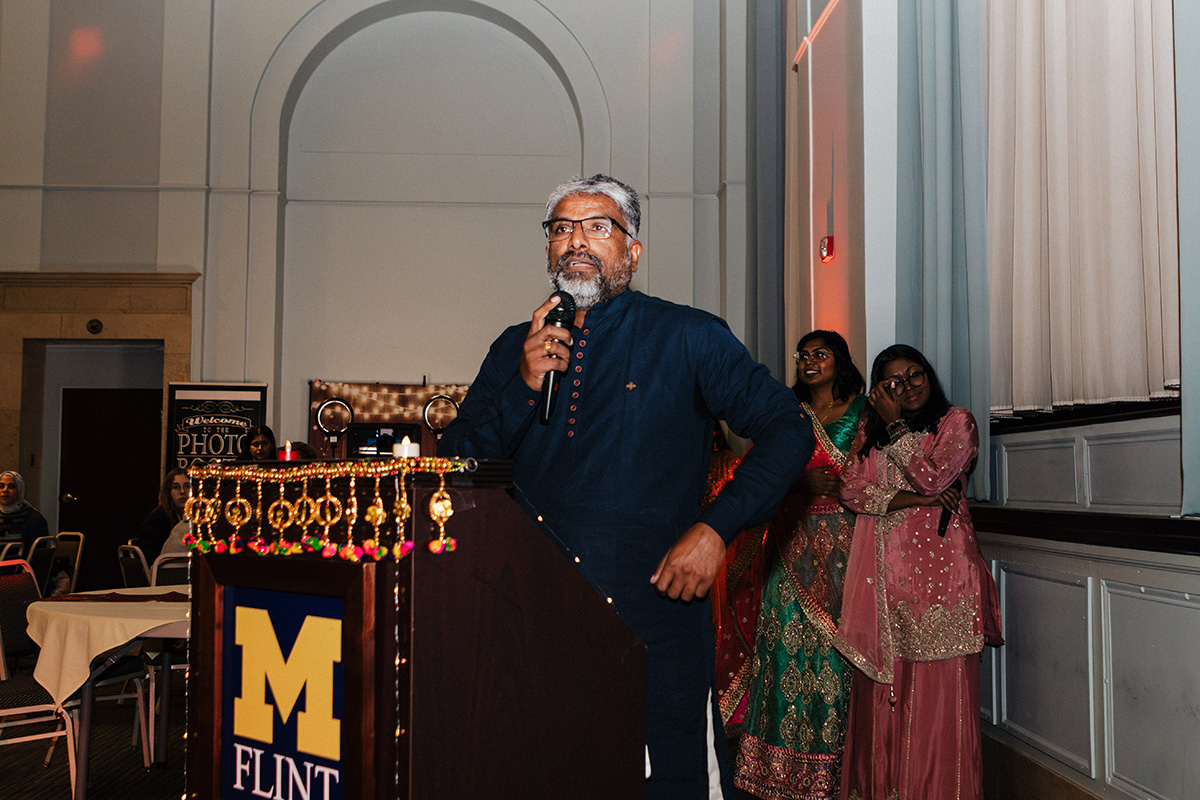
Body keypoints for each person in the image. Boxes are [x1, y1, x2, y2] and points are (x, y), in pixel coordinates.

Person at [437, 174, 813, 798]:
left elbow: (788, 429)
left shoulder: (688, 336)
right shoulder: (514, 349)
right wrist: (523, 387)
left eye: (597, 226)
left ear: (632, 252)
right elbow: (457, 468)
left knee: (664, 780)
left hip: (652, 616)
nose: (576, 240)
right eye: (561, 228)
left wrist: (717, 528)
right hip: (536, 620)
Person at [833, 344, 1001, 800]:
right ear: (878, 390)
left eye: (914, 376)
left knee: (942, 700)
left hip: (947, 580)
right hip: (888, 583)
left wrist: (897, 429)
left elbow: (933, 476)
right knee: (891, 694)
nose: (906, 387)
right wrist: (916, 500)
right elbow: (850, 489)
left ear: (929, 375)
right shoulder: (872, 436)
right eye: (893, 382)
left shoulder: (957, 423)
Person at [734, 330, 867, 799]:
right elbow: (758, 472)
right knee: (784, 646)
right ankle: (776, 770)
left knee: (837, 650)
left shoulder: (863, 411)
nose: (810, 362)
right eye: (803, 355)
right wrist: (798, 482)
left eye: (820, 354)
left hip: (845, 546)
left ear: (840, 361)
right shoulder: (787, 415)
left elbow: (879, 465)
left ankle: (838, 769)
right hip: (790, 543)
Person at [132, 468, 189, 562]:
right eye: (176, 487)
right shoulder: (158, 518)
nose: (182, 491)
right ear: (168, 492)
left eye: (187, 486)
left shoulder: (198, 516)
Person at [0, 470, 50, 555]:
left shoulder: (33, 519)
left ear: (19, 490)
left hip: (18, 565)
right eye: (1, 486)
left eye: (11, 486)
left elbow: (35, 556)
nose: (5, 490)